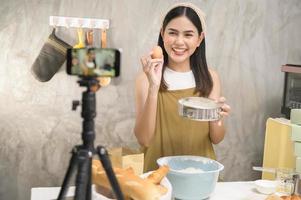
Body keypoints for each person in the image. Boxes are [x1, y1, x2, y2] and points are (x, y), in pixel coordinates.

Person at [134, 2, 231, 172]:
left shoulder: (210, 78)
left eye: (188, 34)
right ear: (162, 33)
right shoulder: (145, 79)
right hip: (157, 175)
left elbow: (216, 138)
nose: (179, 42)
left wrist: (218, 119)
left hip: (200, 174)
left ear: (199, 39)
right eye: (172, 33)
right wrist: (153, 88)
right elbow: (144, 139)